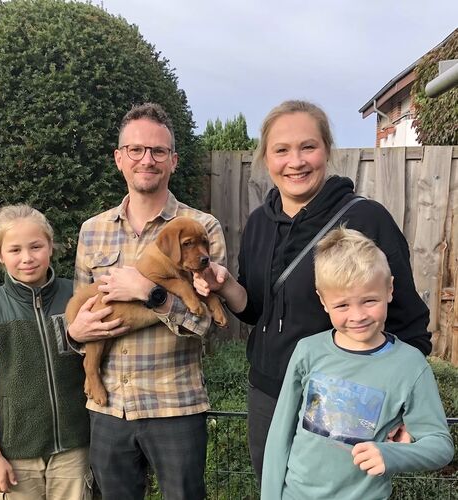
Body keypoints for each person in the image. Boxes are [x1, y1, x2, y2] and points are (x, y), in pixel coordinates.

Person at [193, 100, 432, 482]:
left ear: (327, 149)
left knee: (335, 491)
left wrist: (407, 406)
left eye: (308, 147)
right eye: (282, 150)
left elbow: (410, 322)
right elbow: (256, 310)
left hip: (339, 397)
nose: (296, 161)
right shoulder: (259, 223)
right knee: (272, 486)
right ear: (266, 158)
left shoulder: (365, 218)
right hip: (267, 394)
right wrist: (226, 286)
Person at [67, 102, 227, 500]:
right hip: (109, 407)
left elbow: (205, 324)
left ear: (173, 160)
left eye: (158, 151)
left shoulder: (202, 227)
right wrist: (74, 334)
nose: (147, 159)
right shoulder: (92, 230)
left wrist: (149, 293)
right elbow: (80, 314)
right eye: (136, 150)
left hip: (175, 404)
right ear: (119, 158)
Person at [260, 227, 453, 499]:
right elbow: (280, 432)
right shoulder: (308, 351)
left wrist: (391, 454)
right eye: (342, 306)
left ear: (389, 289)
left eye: (369, 300)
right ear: (323, 300)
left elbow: (440, 445)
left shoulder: (410, 366)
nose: (358, 315)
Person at [0, 205, 91, 499]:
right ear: (0, 256)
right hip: (16, 457)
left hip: (74, 450)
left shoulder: (76, 296)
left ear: (50, 247)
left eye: (36, 246)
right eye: (15, 250)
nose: (27, 258)